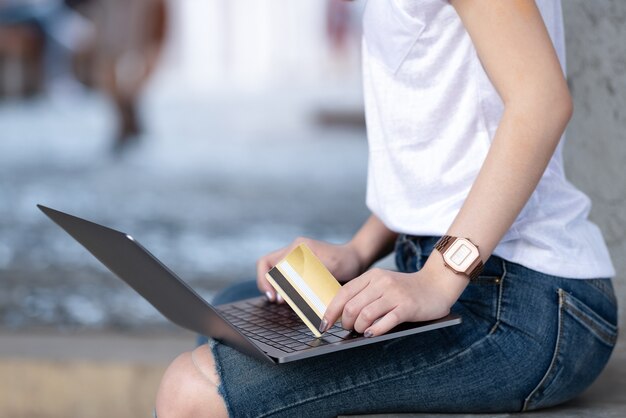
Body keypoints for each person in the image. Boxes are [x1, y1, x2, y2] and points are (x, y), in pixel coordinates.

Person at [155, 1, 618, 417]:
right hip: (458, 272)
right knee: (232, 312)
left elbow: (541, 103)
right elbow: (448, 157)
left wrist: (438, 278)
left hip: (525, 303)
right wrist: (358, 250)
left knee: (190, 391)